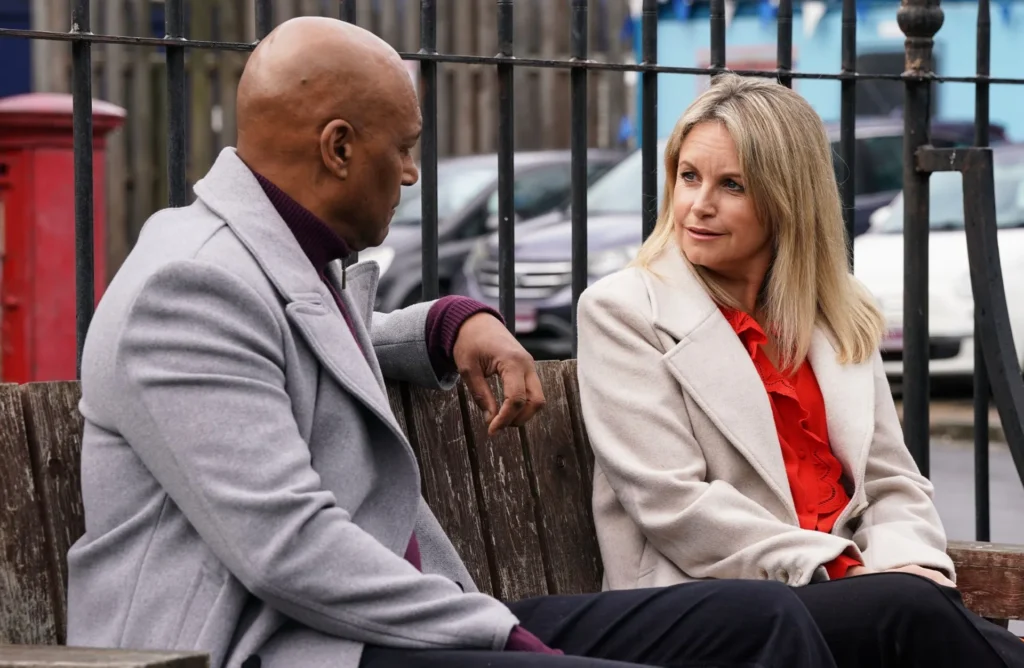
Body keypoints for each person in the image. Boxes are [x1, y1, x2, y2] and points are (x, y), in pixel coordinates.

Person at [65, 18, 841, 668]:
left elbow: (302, 349)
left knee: (759, 621)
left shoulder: (260, 258)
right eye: (403, 147)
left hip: (369, 625)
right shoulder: (190, 286)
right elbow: (289, 550)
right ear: (338, 148)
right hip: (270, 644)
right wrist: (506, 638)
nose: (411, 174)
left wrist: (446, 325)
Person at [575, 71, 1024, 667]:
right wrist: (847, 571)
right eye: (688, 176)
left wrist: (904, 561)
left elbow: (890, 481)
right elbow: (673, 504)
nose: (698, 205)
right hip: (710, 605)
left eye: (731, 185)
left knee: (918, 607)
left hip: (853, 597)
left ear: (787, 196)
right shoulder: (623, 311)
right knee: (910, 613)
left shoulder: (836, 313)